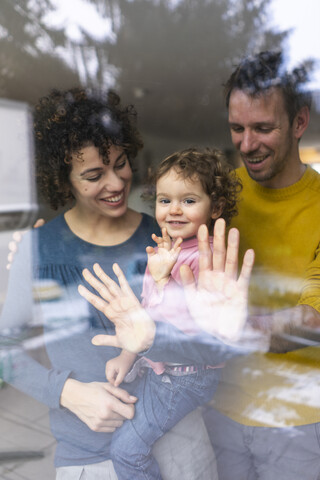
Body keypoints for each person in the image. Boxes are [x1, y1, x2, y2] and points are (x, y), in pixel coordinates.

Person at [0, 87, 220, 480]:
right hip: (89, 453)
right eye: (93, 175)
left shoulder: (166, 237)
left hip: (180, 440)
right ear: (63, 180)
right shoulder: (38, 248)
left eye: (120, 164)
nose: (116, 183)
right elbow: (5, 350)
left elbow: (208, 339)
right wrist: (68, 393)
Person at [78, 147, 246, 480]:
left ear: (217, 207)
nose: (174, 210)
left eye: (189, 200)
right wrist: (127, 357)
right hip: (162, 368)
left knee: (126, 451)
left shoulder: (209, 257)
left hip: (186, 375)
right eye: (165, 200)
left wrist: (165, 280)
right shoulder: (166, 249)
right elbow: (143, 319)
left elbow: (188, 325)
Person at [203, 50, 320, 479]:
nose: (247, 144)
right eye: (237, 128)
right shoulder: (218, 195)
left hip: (299, 422)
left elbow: (315, 319)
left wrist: (235, 327)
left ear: (299, 123)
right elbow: (161, 244)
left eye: (263, 128)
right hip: (219, 411)